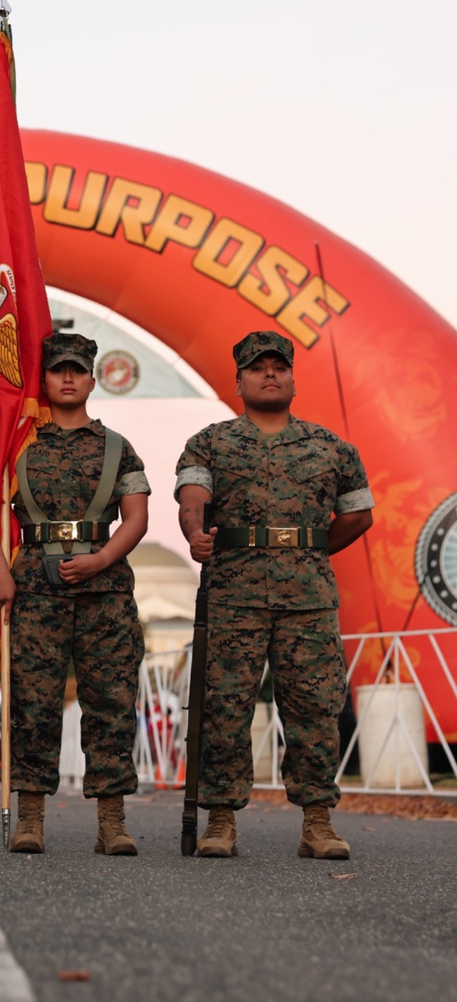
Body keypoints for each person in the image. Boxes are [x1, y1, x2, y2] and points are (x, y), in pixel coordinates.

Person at [175, 330, 374, 859]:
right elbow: (193, 496)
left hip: (308, 598)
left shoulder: (332, 447)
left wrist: (310, 549)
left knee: (315, 709)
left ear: (291, 377)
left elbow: (358, 514)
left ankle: (318, 823)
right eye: (257, 367)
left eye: (278, 366)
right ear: (238, 379)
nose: (269, 374)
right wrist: (195, 533)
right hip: (232, 594)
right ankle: (220, 820)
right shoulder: (210, 441)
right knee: (225, 708)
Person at [0, 331, 151, 854]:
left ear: (94, 379)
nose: (68, 378)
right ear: (43, 379)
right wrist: (0, 573)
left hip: (107, 588)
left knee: (112, 702)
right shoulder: (16, 445)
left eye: (77, 370)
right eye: (57, 370)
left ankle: (112, 821)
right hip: (34, 587)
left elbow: (136, 517)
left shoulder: (118, 448)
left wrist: (100, 559)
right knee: (33, 703)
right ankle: (30, 816)